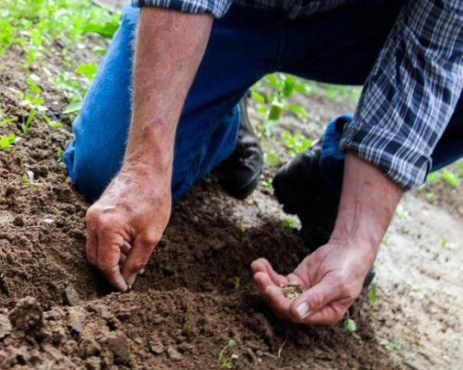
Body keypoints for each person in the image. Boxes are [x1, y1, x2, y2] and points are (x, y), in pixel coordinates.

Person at [63, 0, 462, 325]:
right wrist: (145, 166)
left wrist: (356, 238)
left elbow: (434, 56)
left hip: (360, 24)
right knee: (107, 167)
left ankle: (333, 183)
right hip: (232, 12)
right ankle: (221, 117)